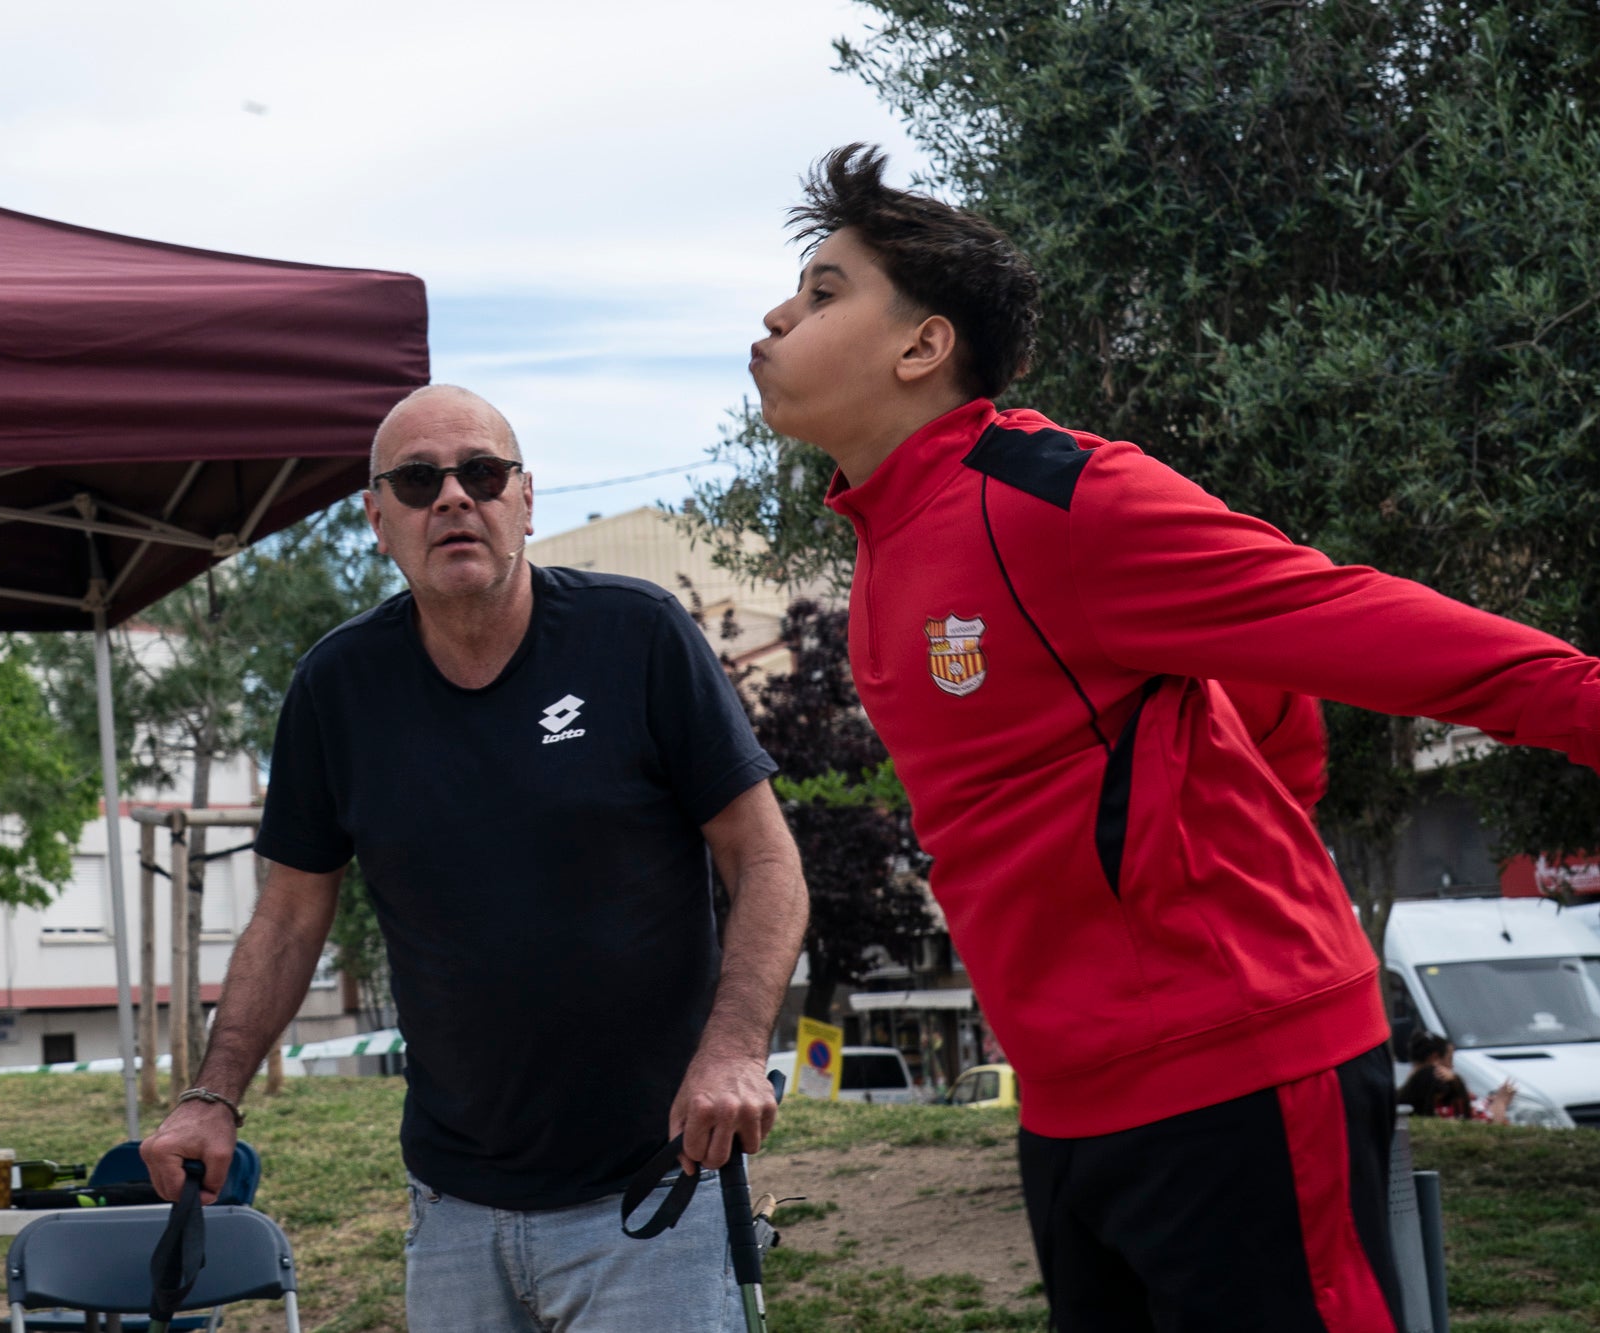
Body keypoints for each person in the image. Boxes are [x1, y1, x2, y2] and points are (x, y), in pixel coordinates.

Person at [746, 144, 1600, 1332]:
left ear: (920, 346)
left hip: (1237, 1066)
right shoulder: (888, 535)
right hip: (1064, 1099)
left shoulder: (1058, 498)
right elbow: (1261, 714)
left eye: (822, 290)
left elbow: (1331, 617)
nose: (777, 315)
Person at [140, 384, 809, 1330]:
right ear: (379, 520)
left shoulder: (639, 636)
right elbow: (290, 915)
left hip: (656, 1190)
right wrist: (213, 1095)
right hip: (452, 1207)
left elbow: (767, 862)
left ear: (525, 502)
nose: (453, 497)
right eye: (418, 480)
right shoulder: (337, 686)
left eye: (482, 473)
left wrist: (736, 1049)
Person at [1399, 1032, 1514, 1123]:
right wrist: (1500, 1103)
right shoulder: (1441, 1097)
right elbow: (1482, 1124)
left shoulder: (1401, 1095)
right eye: (1450, 1059)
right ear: (1434, 1059)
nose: (1452, 1066)